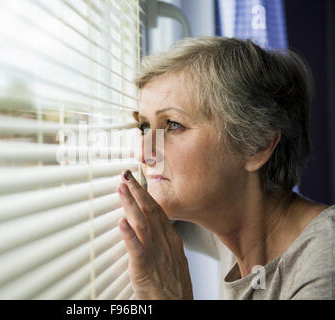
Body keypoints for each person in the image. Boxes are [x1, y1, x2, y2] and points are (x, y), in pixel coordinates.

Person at [116, 37, 334, 300]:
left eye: (173, 124)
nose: (143, 153)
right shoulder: (230, 219)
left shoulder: (324, 267)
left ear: (257, 145)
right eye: (144, 127)